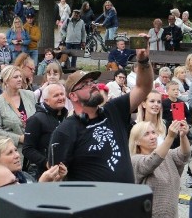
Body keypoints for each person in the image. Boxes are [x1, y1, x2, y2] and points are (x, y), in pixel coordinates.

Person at [50, 43, 153, 182]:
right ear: (73, 96)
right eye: (85, 84)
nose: (92, 85)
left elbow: (143, 87)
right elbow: (53, 175)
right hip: (94, 202)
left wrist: (143, 60)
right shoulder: (65, 131)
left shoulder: (114, 110)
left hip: (126, 199)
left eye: (92, 81)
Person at [23, 82, 68, 177]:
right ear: (46, 100)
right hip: (44, 173)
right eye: (56, 95)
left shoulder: (67, 118)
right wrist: (46, 162)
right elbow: (27, 149)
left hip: (65, 171)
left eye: (62, 94)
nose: (61, 98)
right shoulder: (36, 119)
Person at [0, 65, 36, 152]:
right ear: (6, 80)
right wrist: (19, 138)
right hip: (13, 149)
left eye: (20, 76)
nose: (19, 79)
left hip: (35, 147)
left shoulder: (30, 95)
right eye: (15, 77)